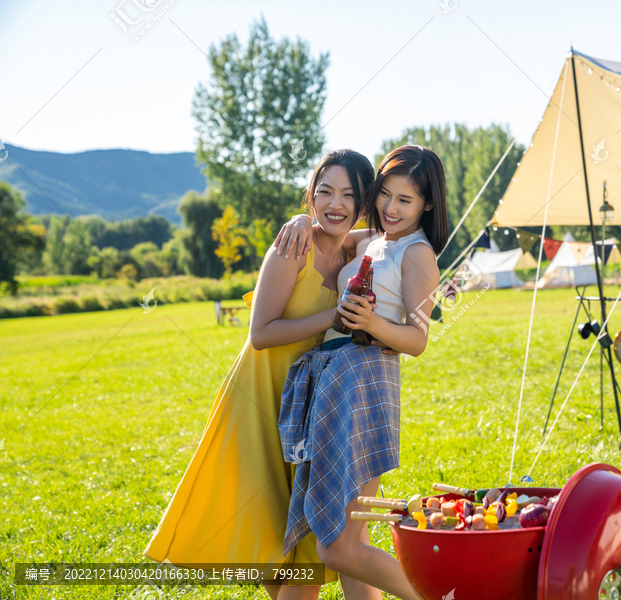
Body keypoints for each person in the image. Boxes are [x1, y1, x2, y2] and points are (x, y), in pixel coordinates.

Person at [144, 149, 382, 600]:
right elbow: (260, 333)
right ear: (310, 194)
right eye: (325, 191)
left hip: (310, 407)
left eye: (349, 195)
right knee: (276, 539)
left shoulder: (355, 246)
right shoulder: (292, 247)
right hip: (261, 400)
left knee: (302, 540)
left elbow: (400, 232)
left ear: (363, 202)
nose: (335, 203)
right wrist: (334, 316)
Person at [273, 145, 449, 600]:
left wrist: (371, 324)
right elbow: (331, 233)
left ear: (427, 204)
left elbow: (419, 340)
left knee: (337, 548)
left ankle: (438, 595)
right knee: (349, 540)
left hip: (366, 378)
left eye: (405, 201)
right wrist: (299, 220)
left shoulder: (418, 254)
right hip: (336, 379)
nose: (391, 208)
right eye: (385, 195)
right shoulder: (375, 240)